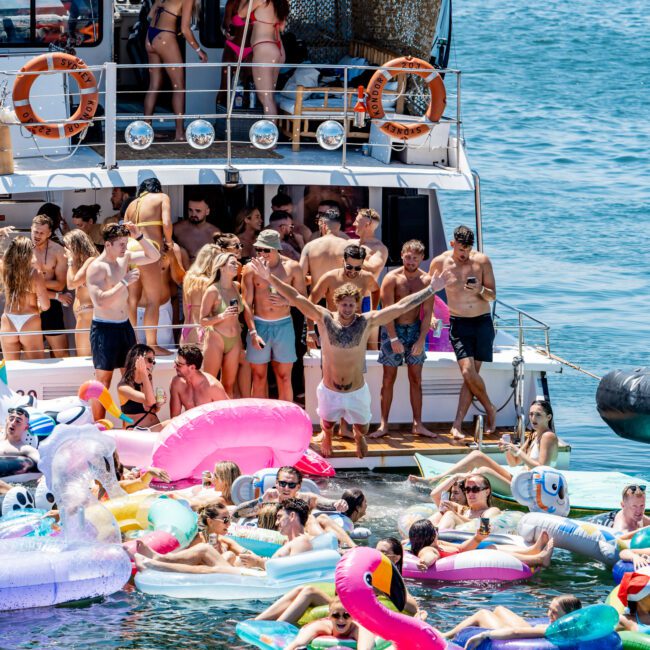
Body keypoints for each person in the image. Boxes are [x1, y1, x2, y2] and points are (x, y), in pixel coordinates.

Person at [251, 258, 451, 458]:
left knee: (362, 427)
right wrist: (270, 277)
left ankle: (358, 435)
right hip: (330, 390)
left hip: (357, 391)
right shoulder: (323, 317)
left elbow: (399, 307)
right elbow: (295, 297)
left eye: (351, 305)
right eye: (344, 304)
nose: (347, 309)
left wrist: (431, 289)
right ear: (337, 303)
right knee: (327, 423)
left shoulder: (366, 321)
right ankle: (328, 435)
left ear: (357, 305)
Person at [429, 225, 497, 440]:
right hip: (459, 323)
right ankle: (490, 407)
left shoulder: (482, 261)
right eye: (460, 250)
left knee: (470, 376)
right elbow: (429, 291)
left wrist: (480, 290)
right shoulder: (440, 262)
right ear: (452, 244)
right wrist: (431, 315)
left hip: (482, 322)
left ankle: (457, 424)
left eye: (467, 251)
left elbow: (492, 295)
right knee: (468, 372)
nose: (463, 255)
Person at [256, 536, 423, 623]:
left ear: (395, 558)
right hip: (347, 603)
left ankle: (278, 627)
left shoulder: (394, 581)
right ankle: (259, 621)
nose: (377, 555)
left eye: (383, 553)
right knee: (301, 588)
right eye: (376, 550)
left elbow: (412, 606)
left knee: (309, 592)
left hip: (355, 610)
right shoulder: (370, 573)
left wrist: (384, 591)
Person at [86, 223, 160, 419]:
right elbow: (99, 301)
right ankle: (99, 425)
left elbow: (155, 256)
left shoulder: (124, 258)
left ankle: (135, 421)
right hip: (104, 328)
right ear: (107, 245)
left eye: (126, 243)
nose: (125, 248)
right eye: (121, 244)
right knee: (103, 381)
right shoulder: (96, 268)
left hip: (124, 326)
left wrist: (140, 237)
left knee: (132, 377)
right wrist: (124, 282)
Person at [417, 400, 559, 494]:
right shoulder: (534, 435)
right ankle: (438, 479)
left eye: (538, 415)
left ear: (548, 417)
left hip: (530, 488)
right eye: (531, 414)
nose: (533, 418)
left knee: (484, 471)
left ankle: (453, 484)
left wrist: (516, 450)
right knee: (477, 455)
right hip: (520, 479)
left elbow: (541, 468)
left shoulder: (548, 436)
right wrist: (508, 450)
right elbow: (513, 462)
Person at [371, 239, 436, 439]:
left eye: (415, 258)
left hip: (415, 330)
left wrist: (420, 340)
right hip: (393, 330)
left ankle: (418, 424)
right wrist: (393, 338)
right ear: (401, 255)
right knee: (388, 378)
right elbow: (387, 312)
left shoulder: (426, 282)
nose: (411, 261)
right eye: (408, 257)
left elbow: (427, 313)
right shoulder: (391, 278)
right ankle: (383, 425)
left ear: (422, 259)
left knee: (416, 379)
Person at [242, 230, 306, 402]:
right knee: (258, 376)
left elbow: (303, 300)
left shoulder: (292, 267)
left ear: (277, 249)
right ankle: (260, 418)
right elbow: (246, 304)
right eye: (259, 250)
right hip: (259, 324)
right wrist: (253, 332)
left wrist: (285, 301)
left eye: (266, 250)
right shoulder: (250, 269)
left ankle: (285, 419)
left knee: (284, 377)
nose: (262, 254)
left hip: (284, 324)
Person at [144, 0, 207, 141]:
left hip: (150, 36)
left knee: (154, 85)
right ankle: (179, 133)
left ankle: (146, 132)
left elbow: (149, 16)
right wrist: (198, 50)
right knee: (179, 87)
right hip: (165, 37)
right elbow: (185, 29)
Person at [123, 179, 174, 354]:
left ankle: (134, 343)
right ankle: (152, 344)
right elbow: (166, 223)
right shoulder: (162, 197)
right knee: (153, 300)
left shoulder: (131, 204)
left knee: (132, 300)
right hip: (149, 246)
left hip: (130, 248)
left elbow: (124, 231)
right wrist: (169, 242)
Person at [133, 501, 247, 574]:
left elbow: (246, 552)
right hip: (200, 578)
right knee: (216, 552)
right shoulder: (197, 540)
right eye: (225, 520)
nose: (229, 524)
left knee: (230, 555)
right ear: (210, 521)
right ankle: (160, 559)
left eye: (230, 520)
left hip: (221, 578)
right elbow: (185, 562)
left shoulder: (226, 542)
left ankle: (159, 559)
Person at [408, 518, 554, 573]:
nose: (438, 531)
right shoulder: (429, 549)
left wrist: (478, 538)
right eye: (435, 530)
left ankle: (532, 551)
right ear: (428, 535)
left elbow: (460, 548)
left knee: (489, 546)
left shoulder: (438, 543)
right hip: (468, 567)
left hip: (468, 558)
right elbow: (428, 556)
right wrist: (424, 563)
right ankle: (539, 559)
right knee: (490, 551)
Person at [306, 244, 380, 351]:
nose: (353, 271)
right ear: (343, 261)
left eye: (358, 268)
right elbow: (310, 303)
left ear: (363, 264)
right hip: (333, 328)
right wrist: (311, 331)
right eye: (349, 267)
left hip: (356, 329)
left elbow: (376, 291)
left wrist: (373, 311)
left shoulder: (366, 277)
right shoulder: (330, 278)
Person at [200, 253, 252, 394]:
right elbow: (202, 321)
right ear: (221, 267)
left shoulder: (236, 286)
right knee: (209, 383)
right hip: (216, 338)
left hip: (234, 340)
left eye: (237, 263)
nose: (237, 266)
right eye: (232, 263)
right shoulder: (212, 290)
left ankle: (226, 415)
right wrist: (222, 315)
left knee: (229, 384)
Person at [443, 595, 582, 646]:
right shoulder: (577, 627)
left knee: (483, 614)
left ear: (568, 616)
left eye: (555, 612)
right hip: (533, 633)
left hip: (519, 640)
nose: (548, 614)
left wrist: (483, 635)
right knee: (499, 609)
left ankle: (445, 635)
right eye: (549, 609)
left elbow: (515, 632)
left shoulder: (554, 629)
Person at [0, 235, 50, 359]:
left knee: (10, 369)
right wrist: (39, 307)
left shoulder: (4, 269)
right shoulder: (35, 273)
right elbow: (46, 305)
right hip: (29, 320)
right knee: (36, 367)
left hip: (8, 320)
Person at [238, 0, 289, 119]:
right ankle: (272, 132)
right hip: (277, 50)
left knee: (266, 99)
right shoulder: (281, 3)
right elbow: (282, 28)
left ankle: (271, 135)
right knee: (269, 97)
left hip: (264, 50)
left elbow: (241, 13)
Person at [31, 214, 71, 358]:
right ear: (31, 229)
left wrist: (33, 282)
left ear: (49, 234)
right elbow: (20, 284)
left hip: (51, 305)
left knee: (61, 353)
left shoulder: (58, 251)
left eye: (42, 233)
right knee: (33, 354)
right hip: (30, 304)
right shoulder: (24, 250)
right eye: (35, 231)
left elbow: (60, 285)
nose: (37, 235)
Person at [239, 498, 318, 569]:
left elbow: (293, 572)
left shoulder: (301, 541)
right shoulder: (289, 542)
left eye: (279, 517)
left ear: (292, 516)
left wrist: (258, 562)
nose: (276, 523)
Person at [135, 242, 185, 349]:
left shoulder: (172, 247)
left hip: (161, 309)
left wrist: (172, 257)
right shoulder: (128, 245)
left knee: (164, 352)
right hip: (134, 310)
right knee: (136, 355)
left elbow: (179, 279)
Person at [63, 229, 99, 356]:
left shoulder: (91, 261)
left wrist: (70, 260)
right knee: (86, 358)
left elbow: (71, 284)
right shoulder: (82, 264)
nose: (65, 251)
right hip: (83, 314)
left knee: (84, 358)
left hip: (87, 314)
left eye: (67, 247)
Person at [169, 344, 228, 417]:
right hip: (190, 426)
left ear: (192, 367)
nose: (174, 366)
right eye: (175, 362)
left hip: (211, 426)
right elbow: (174, 418)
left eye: (179, 365)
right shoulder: (176, 383)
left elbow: (226, 417)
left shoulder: (213, 387)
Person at [118, 344, 167, 430]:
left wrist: (158, 405)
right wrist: (144, 374)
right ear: (137, 359)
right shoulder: (123, 387)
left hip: (151, 429)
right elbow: (150, 401)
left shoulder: (147, 379)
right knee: (174, 423)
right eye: (150, 360)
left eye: (153, 361)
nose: (152, 364)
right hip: (137, 431)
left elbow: (151, 409)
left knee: (178, 422)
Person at [284, 598, 366, 650]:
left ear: (352, 616)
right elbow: (297, 643)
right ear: (329, 616)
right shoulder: (321, 626)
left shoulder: (360, 629)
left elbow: (366, 648)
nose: (341, 620)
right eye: (336, 615)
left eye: (346, 615)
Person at [181, 243, 220, 344]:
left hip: (187, 329)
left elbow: (186, 308)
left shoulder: (188, 277)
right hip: (205, 330)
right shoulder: (208, 283)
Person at [299, 209, 348, 288]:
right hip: (341, 297)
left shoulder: (310, 246)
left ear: (323, 225)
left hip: (316, 297)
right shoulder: (347, 246)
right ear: (339, 226)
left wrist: (314, 279)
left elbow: (299, 277)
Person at [433, 473, 502, 529]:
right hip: (447, 538)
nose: (470, 493)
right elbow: (435, 495)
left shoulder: (492, 511)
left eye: (475, 489)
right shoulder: (461, 509)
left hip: (471, 543)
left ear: (487, 492)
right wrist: (455, 477)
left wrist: (455, 514)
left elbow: (484, 528)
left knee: (450, 514)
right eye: (467, 489)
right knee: (440, 513)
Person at [173, 197, 221, 264]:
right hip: (183, 273)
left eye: (198, 211)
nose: (193, 214)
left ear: (207, 211)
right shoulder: (177, 229)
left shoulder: (215, 233)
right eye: (190, 210)